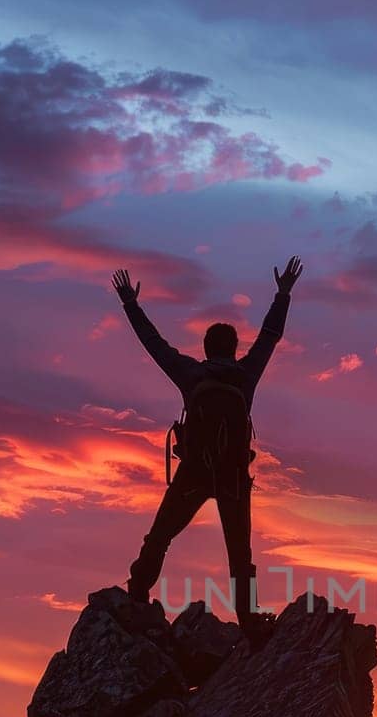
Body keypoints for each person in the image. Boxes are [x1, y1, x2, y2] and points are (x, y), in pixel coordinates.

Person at [111, 257, 303, 638]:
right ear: (233, 349)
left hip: (194, 472)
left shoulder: (191, 374)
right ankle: (248, 621)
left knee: (161, 535)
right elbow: (269, 337)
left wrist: (130, 304)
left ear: (205, 347)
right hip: (232, 477)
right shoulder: (244, 376)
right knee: (240, 554)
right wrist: (283, 294)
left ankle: (137, 592)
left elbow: (154, 344)